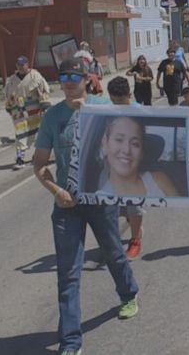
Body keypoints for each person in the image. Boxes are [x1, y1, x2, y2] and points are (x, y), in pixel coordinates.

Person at [31, 59, 139, 355]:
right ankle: (71, 342)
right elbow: (39, 165)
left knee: (115, 254)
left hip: (101, 200)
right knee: (68, 273)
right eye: (63, 76)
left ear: (85, 79)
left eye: (73, 76)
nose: (68, 81)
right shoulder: (52, 117)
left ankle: (129, 294)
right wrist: (55, 190)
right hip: (67, 204)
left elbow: (135, 131)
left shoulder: (103, 106)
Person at [107, 76, 145, 260]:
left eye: (120, 101)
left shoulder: (140, 111)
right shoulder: (108, 112)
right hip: (116, 166)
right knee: (118, 207)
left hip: (135, 167)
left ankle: (135, 240)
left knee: (134, 205)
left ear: (129, 95)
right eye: (113, 101)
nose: (117, 105)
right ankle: (133, 226)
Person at [4, 55, 51, 169]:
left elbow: (44, 90)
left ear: (27, 65)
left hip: (35, 111)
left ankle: (37, 156)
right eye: (18, 65)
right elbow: (8, 95)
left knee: (37, 135)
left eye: (23, 64)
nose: (20, 67)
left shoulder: (35, 75)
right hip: (19, 112)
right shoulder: (12, 80)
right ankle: (20, 158)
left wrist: (44, 106)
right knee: (20, 134)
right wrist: (10, 106)